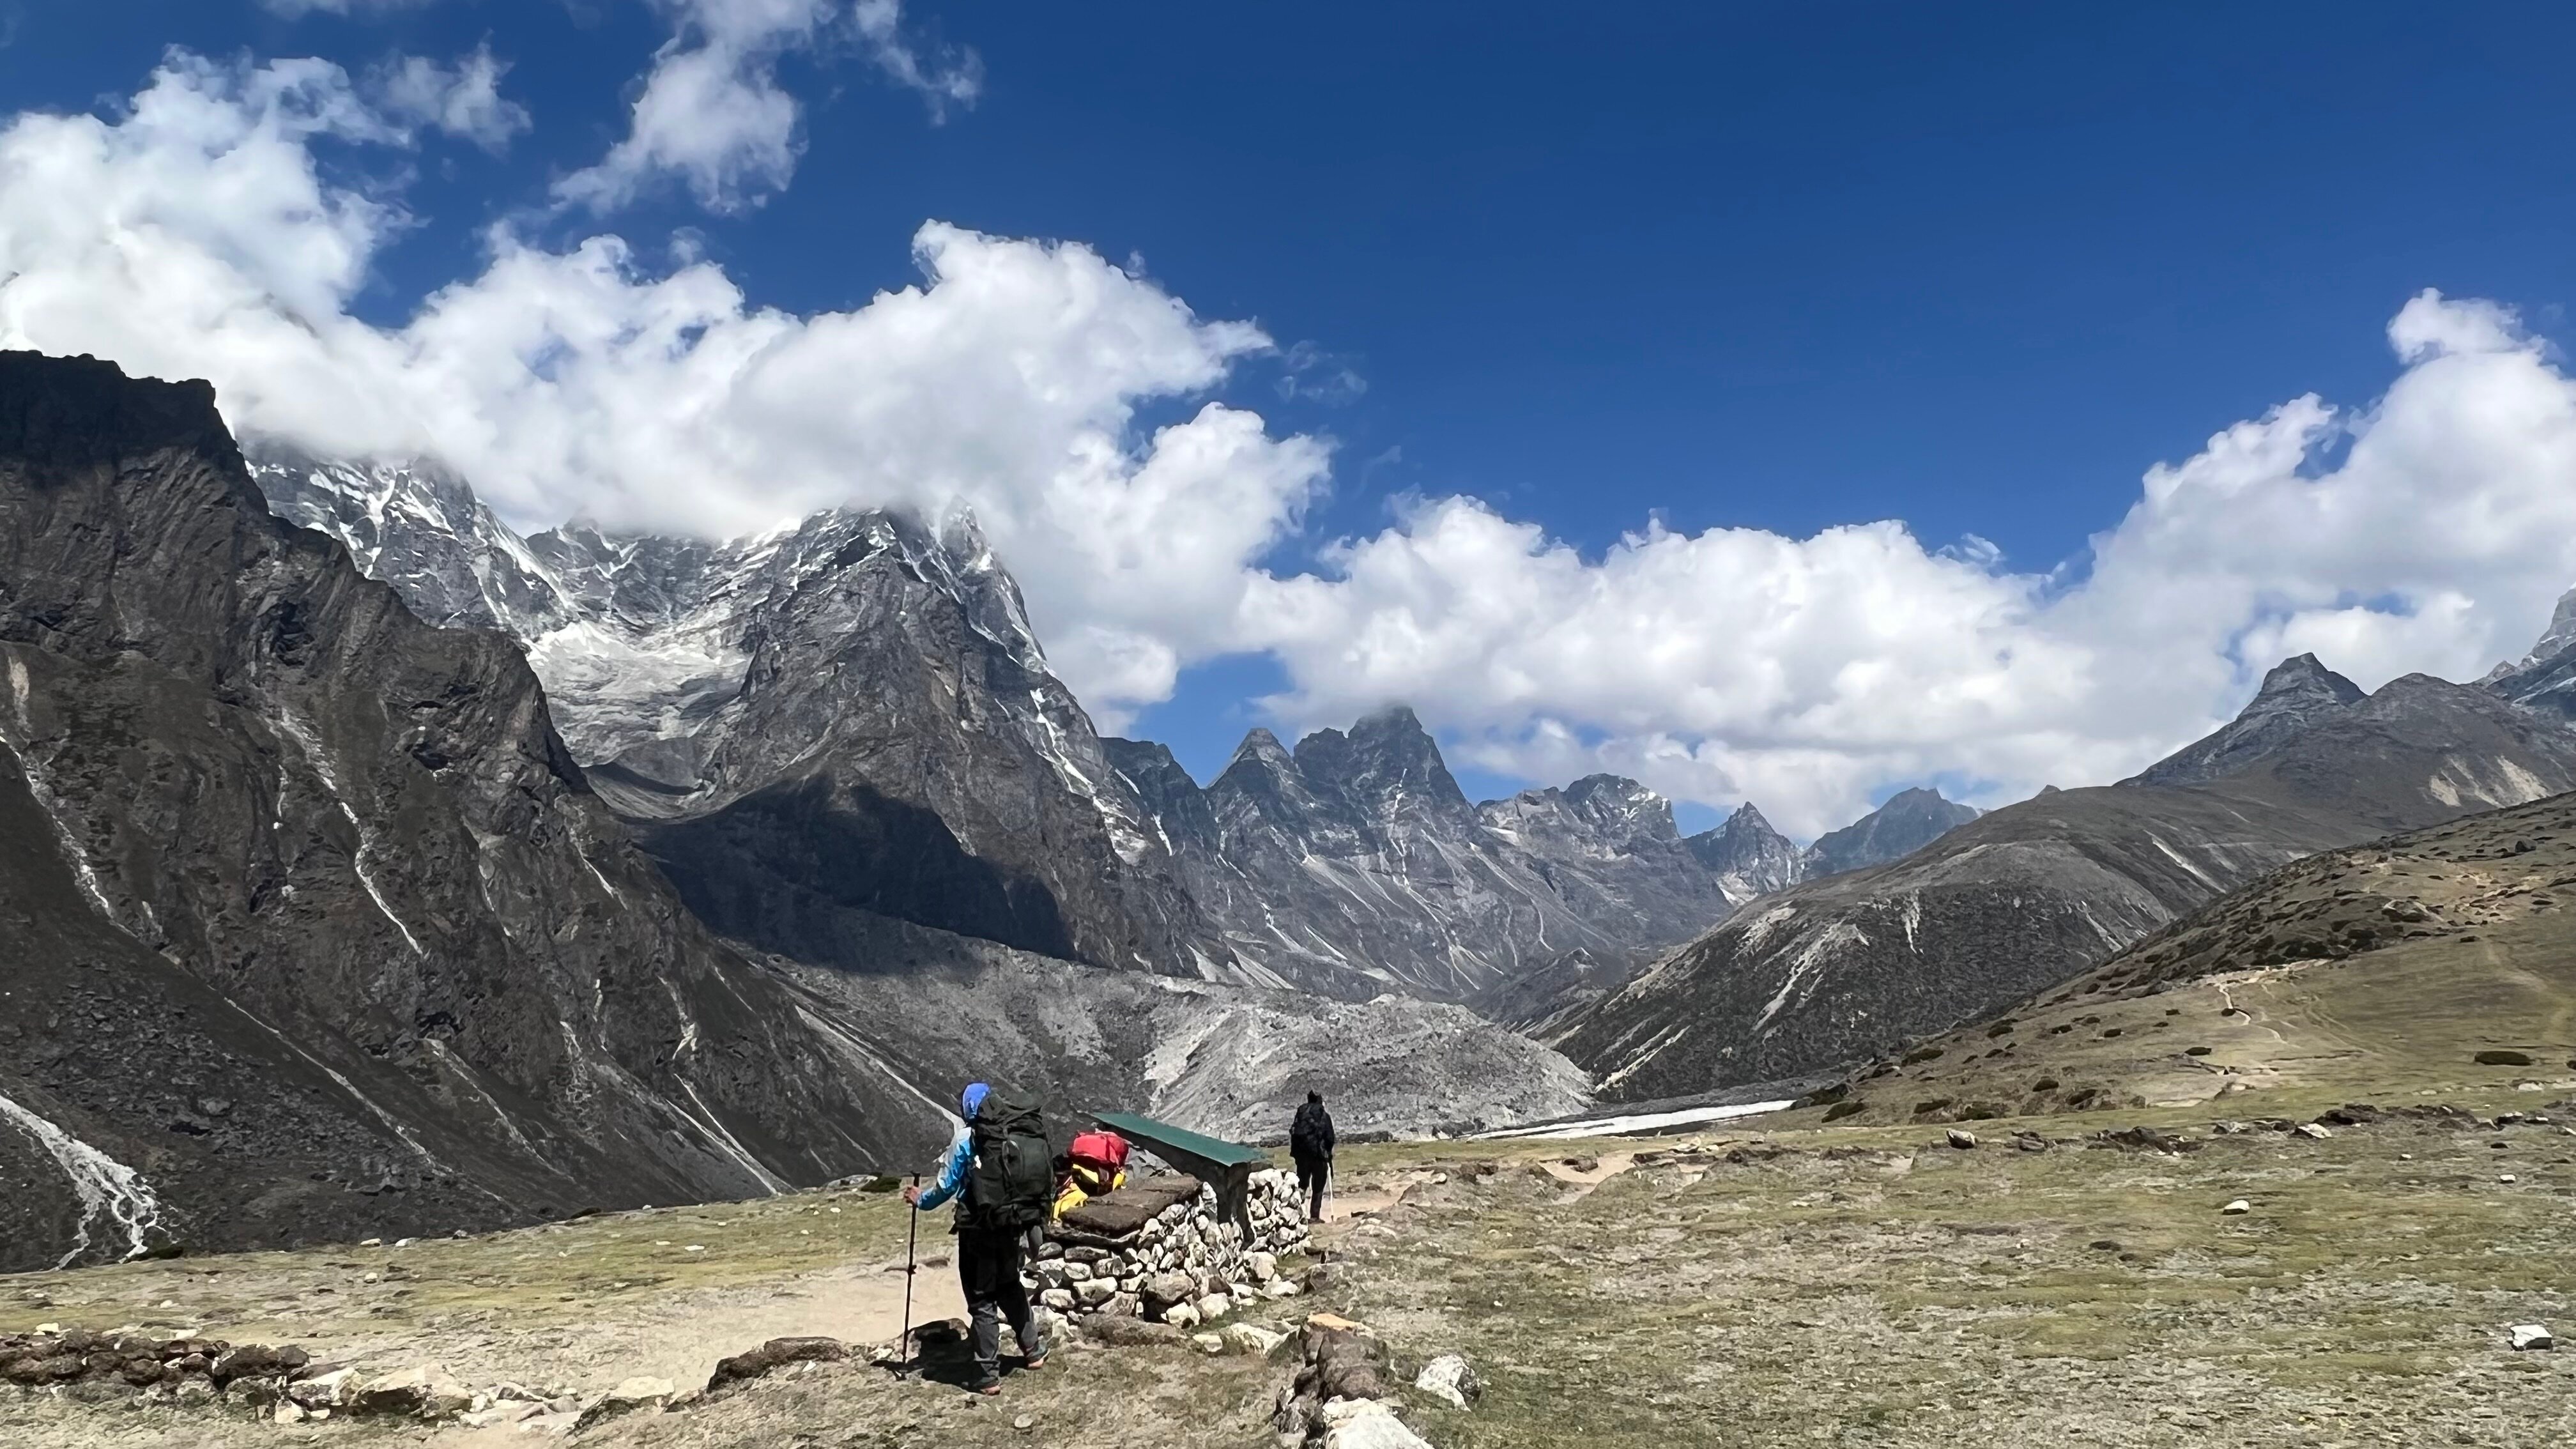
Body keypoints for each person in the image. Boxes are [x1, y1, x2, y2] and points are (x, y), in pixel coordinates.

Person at [905, 1082, 1050, 1394]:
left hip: (978, 1229)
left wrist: (920, 1200)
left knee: (982, 1298)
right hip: (1011, 1224)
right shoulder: (1013, 1132)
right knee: (1010, 1285)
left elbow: (946, 1186)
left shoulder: (968, 1139)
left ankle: (988, 1376)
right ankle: (1033, 1352)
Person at [1289, 1089, 1335, 1223]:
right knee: (1318, 1186)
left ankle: (1297, 1214)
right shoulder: (1323, 1115)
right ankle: (1314, 1216)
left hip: (1302, 1156)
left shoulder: (1301, 1113)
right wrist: (1327, 1152)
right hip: (1319, 1156)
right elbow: (1330, 1137)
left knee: (1302, 1184)